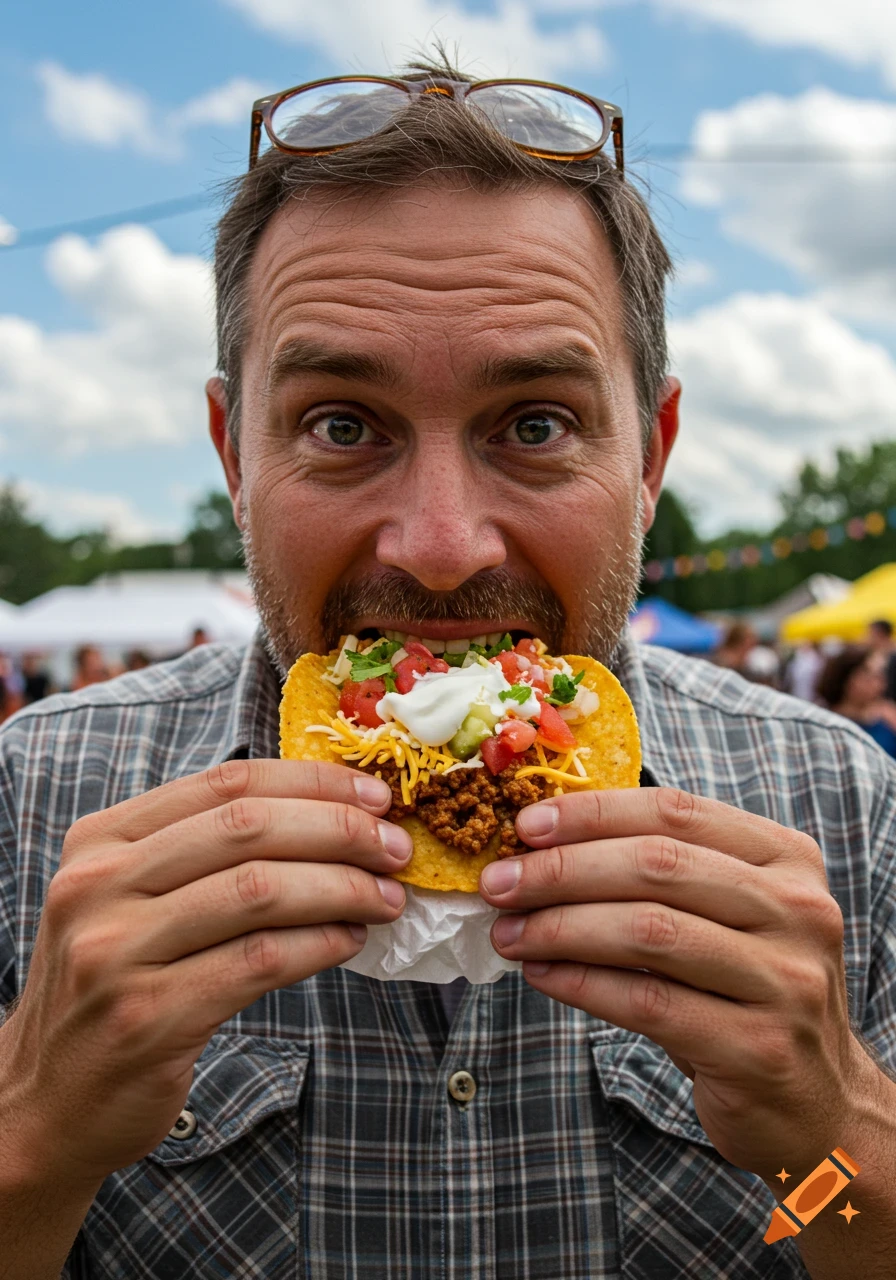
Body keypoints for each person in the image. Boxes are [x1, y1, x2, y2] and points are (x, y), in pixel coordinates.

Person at [1, 53, 895, 1280]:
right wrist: (33, 1139)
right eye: (340, 424)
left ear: (649, 457)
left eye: (533, 424)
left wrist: (833, 1138)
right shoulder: (33, 798)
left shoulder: (840, 806)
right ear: (230, 455)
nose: (435, 548)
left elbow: (848, 1236)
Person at [817, 645, 896, 758]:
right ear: (847, 679)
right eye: (871, 676)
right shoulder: (825, 726)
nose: (881, 683)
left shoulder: (887, 718)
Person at [865, 618, 896, 701]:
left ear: (880, 633)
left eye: (870, 633)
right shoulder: (875, 653)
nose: (868, 637)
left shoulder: (890, 655)